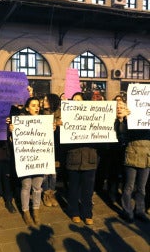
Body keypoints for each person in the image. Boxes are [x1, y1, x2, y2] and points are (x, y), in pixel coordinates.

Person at [64, 92, 99, 225]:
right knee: (73, 189)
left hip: (90, 159)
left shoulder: (93, 117)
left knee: (88, 190)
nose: (76, 102)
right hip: (73, 159)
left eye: (79, 100)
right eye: (74, 100)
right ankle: (74, 212)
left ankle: (88, 213)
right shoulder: (66, 117)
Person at [9, 97, 45, 226]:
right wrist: (11, 131)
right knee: (26, 186)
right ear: (27, 108)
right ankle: (26, 212)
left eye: (38, 105)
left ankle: (36, 210)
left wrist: (52, 129)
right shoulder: (19, 121)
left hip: (40, 159)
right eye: (34, 105)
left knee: (37, 187)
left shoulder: (44, 121)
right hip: (26, 160)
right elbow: (13, 142)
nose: (37, 107)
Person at [115, 101, 150, 223]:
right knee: (129, 186)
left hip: (146, 155)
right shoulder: (128, 120)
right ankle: (128, 211)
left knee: (141, 187)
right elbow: (121, 133)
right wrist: (123, 119)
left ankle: (140, 210)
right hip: (132, 154)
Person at [41, 93, 61, 207]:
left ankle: (51, 193)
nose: (44, 102)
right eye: (43, 100)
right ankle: (45, 194)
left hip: (55, 148)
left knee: (53, 173)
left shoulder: (59, 115)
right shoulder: (40, 114)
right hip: (44, 147)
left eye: (46, 100)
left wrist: (57, 126)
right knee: (45, 173)